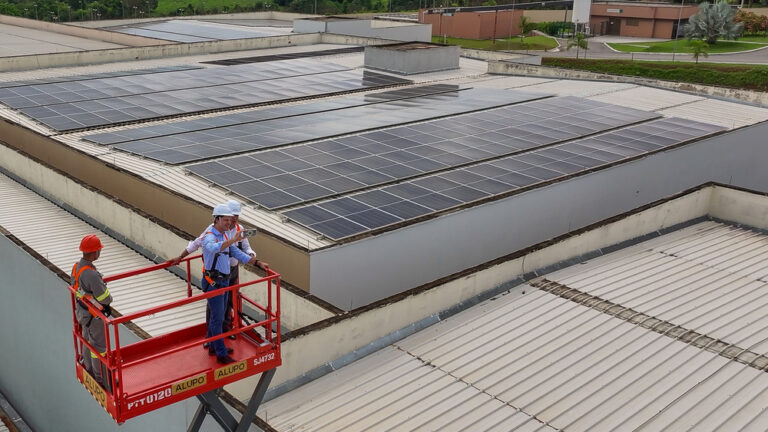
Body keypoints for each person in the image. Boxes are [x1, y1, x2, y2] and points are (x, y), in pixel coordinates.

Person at [170, 201, 265, 342]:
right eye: (230, 217)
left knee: (228, 302)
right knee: (214, 307)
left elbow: (245, 247)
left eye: (235, 217)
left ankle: (225, 331)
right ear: (221, 218)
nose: (232, 220)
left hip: (232, 271)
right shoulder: (214, 231)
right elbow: (197, 243)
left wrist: (253, 258)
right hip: (216, 275)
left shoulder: (239, 228)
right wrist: (181, 257)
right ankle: (211, 336)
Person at [198, 204, 265, 364]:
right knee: (217, 317)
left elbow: (236, 253)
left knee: (218, 317)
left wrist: (256, 263)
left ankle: (215, 345)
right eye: (226, 219)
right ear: (217, 219)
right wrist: (234, 240)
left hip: (223, 280)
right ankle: (221, 353)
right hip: (213, 282)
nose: (229, 222)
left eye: (231, 219)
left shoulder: (225, 236)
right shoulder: (210, 236)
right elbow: (212, 248)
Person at [71, 234, 113, 390]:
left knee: (87, 342)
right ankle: (102, 380)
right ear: (93, 253)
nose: (99, 253)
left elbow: (77, 288)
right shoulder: (91, 274)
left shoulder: (77, 267)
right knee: (99, 349)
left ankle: (89, 370)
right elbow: (106, 299)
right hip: (94, 317)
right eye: (98, 250)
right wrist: (102, 286)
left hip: (82, 313)